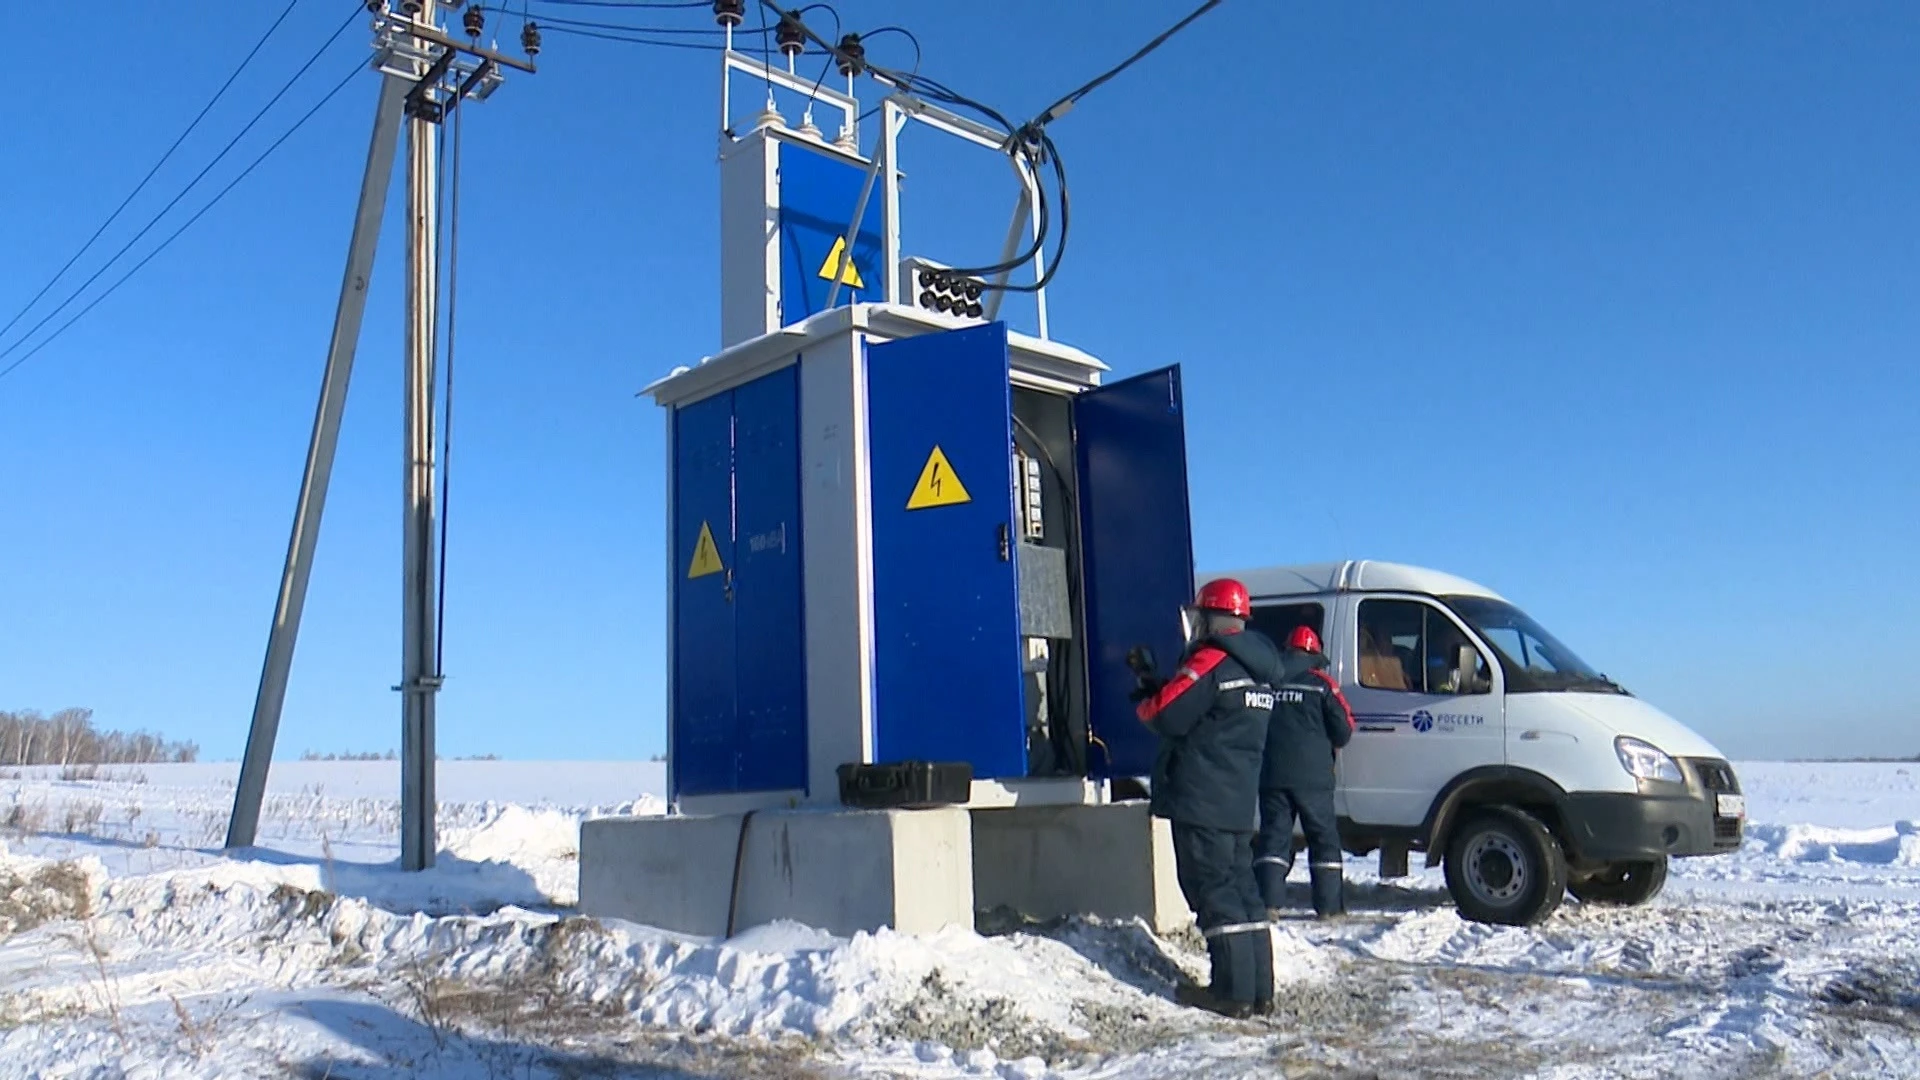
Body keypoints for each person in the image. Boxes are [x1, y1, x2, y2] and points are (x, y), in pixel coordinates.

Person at [1131, 578, 1280, 1017]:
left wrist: (1147, 689)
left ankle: (1230, 994)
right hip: (1236, 802)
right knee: (1244, 895)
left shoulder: (1210, 661)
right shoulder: (1260, 671)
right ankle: (1259, 992)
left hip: (1201, 799)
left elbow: (1164, 714)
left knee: (1214, 893)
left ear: (1211, 617)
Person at [1254, 625, 1356, 918]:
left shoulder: (1268, 683)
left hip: (1272, 775)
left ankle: (1268, 904)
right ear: (1314, 653)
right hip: (1314, 780)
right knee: (1323, 839)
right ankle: (1329, 907)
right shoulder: (1322, 685)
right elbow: (1344, 730)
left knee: (1273, 839)